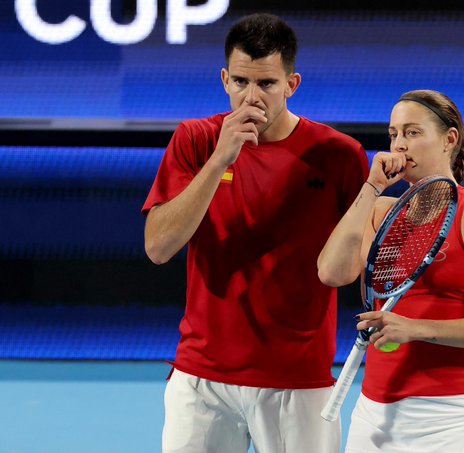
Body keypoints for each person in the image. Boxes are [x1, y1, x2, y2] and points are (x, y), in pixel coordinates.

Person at [142, 13, 368, 453]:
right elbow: (158, 247)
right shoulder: (195, 139)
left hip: (297, 382)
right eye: (240, 81)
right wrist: (219, 160)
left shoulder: (340, 155)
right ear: (224, 78)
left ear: (291, 84)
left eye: (266, 84)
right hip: (202, 378)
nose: (251, 98)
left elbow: (354, 263)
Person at [317, 89, 464, 452]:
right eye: (394, 134)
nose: (399, 146)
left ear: (449, 139)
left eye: (412, 133)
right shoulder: (379, 211)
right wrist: (371, 187)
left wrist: (414, 328)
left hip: (457, 417)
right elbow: (331, 272)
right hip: (374, 416)